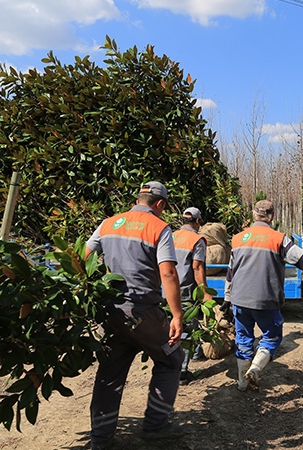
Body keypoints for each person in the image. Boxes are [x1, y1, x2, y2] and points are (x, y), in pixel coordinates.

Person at [85, 181, 185, 450]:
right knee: (171, 358)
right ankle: (155, 425)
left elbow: (82, 258)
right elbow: (167, 273)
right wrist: (176, 314)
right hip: (143, 312)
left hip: (111, 312)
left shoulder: (108, 223)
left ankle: (100, 440)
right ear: (160, 204)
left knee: (110, 374)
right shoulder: (158, 228)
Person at [222, 200, 303, 391]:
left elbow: (230, 273)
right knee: (272, 336)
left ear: (253, 215)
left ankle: (242, 384)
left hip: (239, 299)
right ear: (272, 217)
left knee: (243, 339)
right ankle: (255, 369)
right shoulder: (278, 239)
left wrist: (227, 298)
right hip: (265, 300)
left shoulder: (238, 239)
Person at [172, 207, 212, 380]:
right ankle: (181, 372)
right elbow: (197, 267)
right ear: (197, 221)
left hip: (166, 291)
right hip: (186, 291)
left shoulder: (170, 236)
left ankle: (196, 354)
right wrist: (205, 293)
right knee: (186, 329)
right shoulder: (197, 240)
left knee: (172, 326)